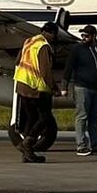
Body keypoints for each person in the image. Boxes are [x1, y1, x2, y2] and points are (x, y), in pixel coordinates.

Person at [62, 24, 97, 156]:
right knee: (82, 116)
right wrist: (64, 86)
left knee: (95, 117)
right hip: (82, 87)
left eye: (87, 36)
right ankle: (81, 145)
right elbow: (68, 67)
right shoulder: (77, 49)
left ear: (94, 36)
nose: (84, 38)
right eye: (83, 35)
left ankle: (96, 145)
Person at [14, 21, 60, 163]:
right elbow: (45, 71)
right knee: (45, 117)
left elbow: (17, 61)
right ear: (51, 33)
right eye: (54, 35)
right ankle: (27, 143)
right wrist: (54, 87)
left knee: (31, 117)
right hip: (35, 87)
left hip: (22, 84)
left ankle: (28, 154)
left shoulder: (29, 41)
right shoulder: (44, 46)